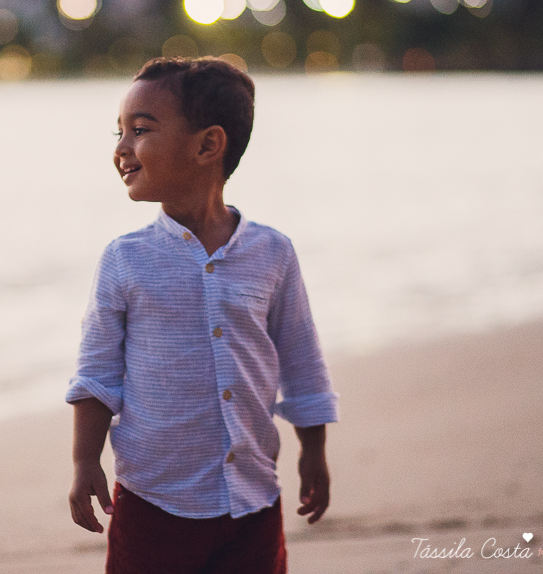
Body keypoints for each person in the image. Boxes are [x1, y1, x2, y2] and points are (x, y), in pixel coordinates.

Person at [66, 57, 339, 574]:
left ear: (208, 145)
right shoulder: (125, 259)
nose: (122, 148)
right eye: (119, 132)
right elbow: (97, 374)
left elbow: (302, 360)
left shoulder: (272, 253)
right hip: (153, 502)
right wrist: (84, 462)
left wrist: (314, 450)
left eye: (140, 130)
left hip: (251, 499)